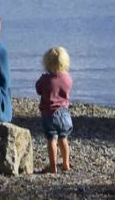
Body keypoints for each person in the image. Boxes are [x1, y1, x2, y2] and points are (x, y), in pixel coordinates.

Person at [35, 46, 73, 174]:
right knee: (64, 139)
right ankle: (66, 163)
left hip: (49, 114)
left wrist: (43, 79)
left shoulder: (46, 79)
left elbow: (38, 89)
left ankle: (53, 166)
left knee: (52, 140)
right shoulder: (67, 78)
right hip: (65, 114)